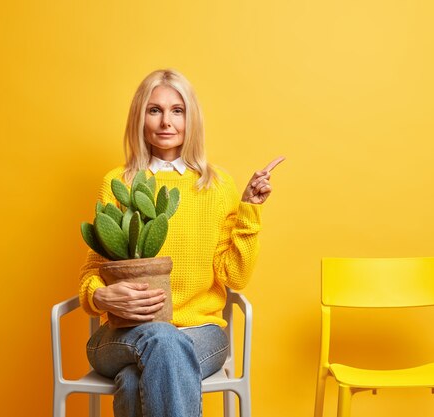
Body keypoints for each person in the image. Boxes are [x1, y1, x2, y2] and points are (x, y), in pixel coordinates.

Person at [78, 68, 283, 417]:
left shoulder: (218, 186)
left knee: (133, 380)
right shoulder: (118, 182)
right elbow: (92, 272)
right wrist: (99, 295)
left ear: (192, 119)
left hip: (200, 331)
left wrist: (249, 211)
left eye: (178, 110)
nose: (165, 122)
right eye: (154, 110)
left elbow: (234, 277)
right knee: (161, 341)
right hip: (122, 335)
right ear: (139, 118)